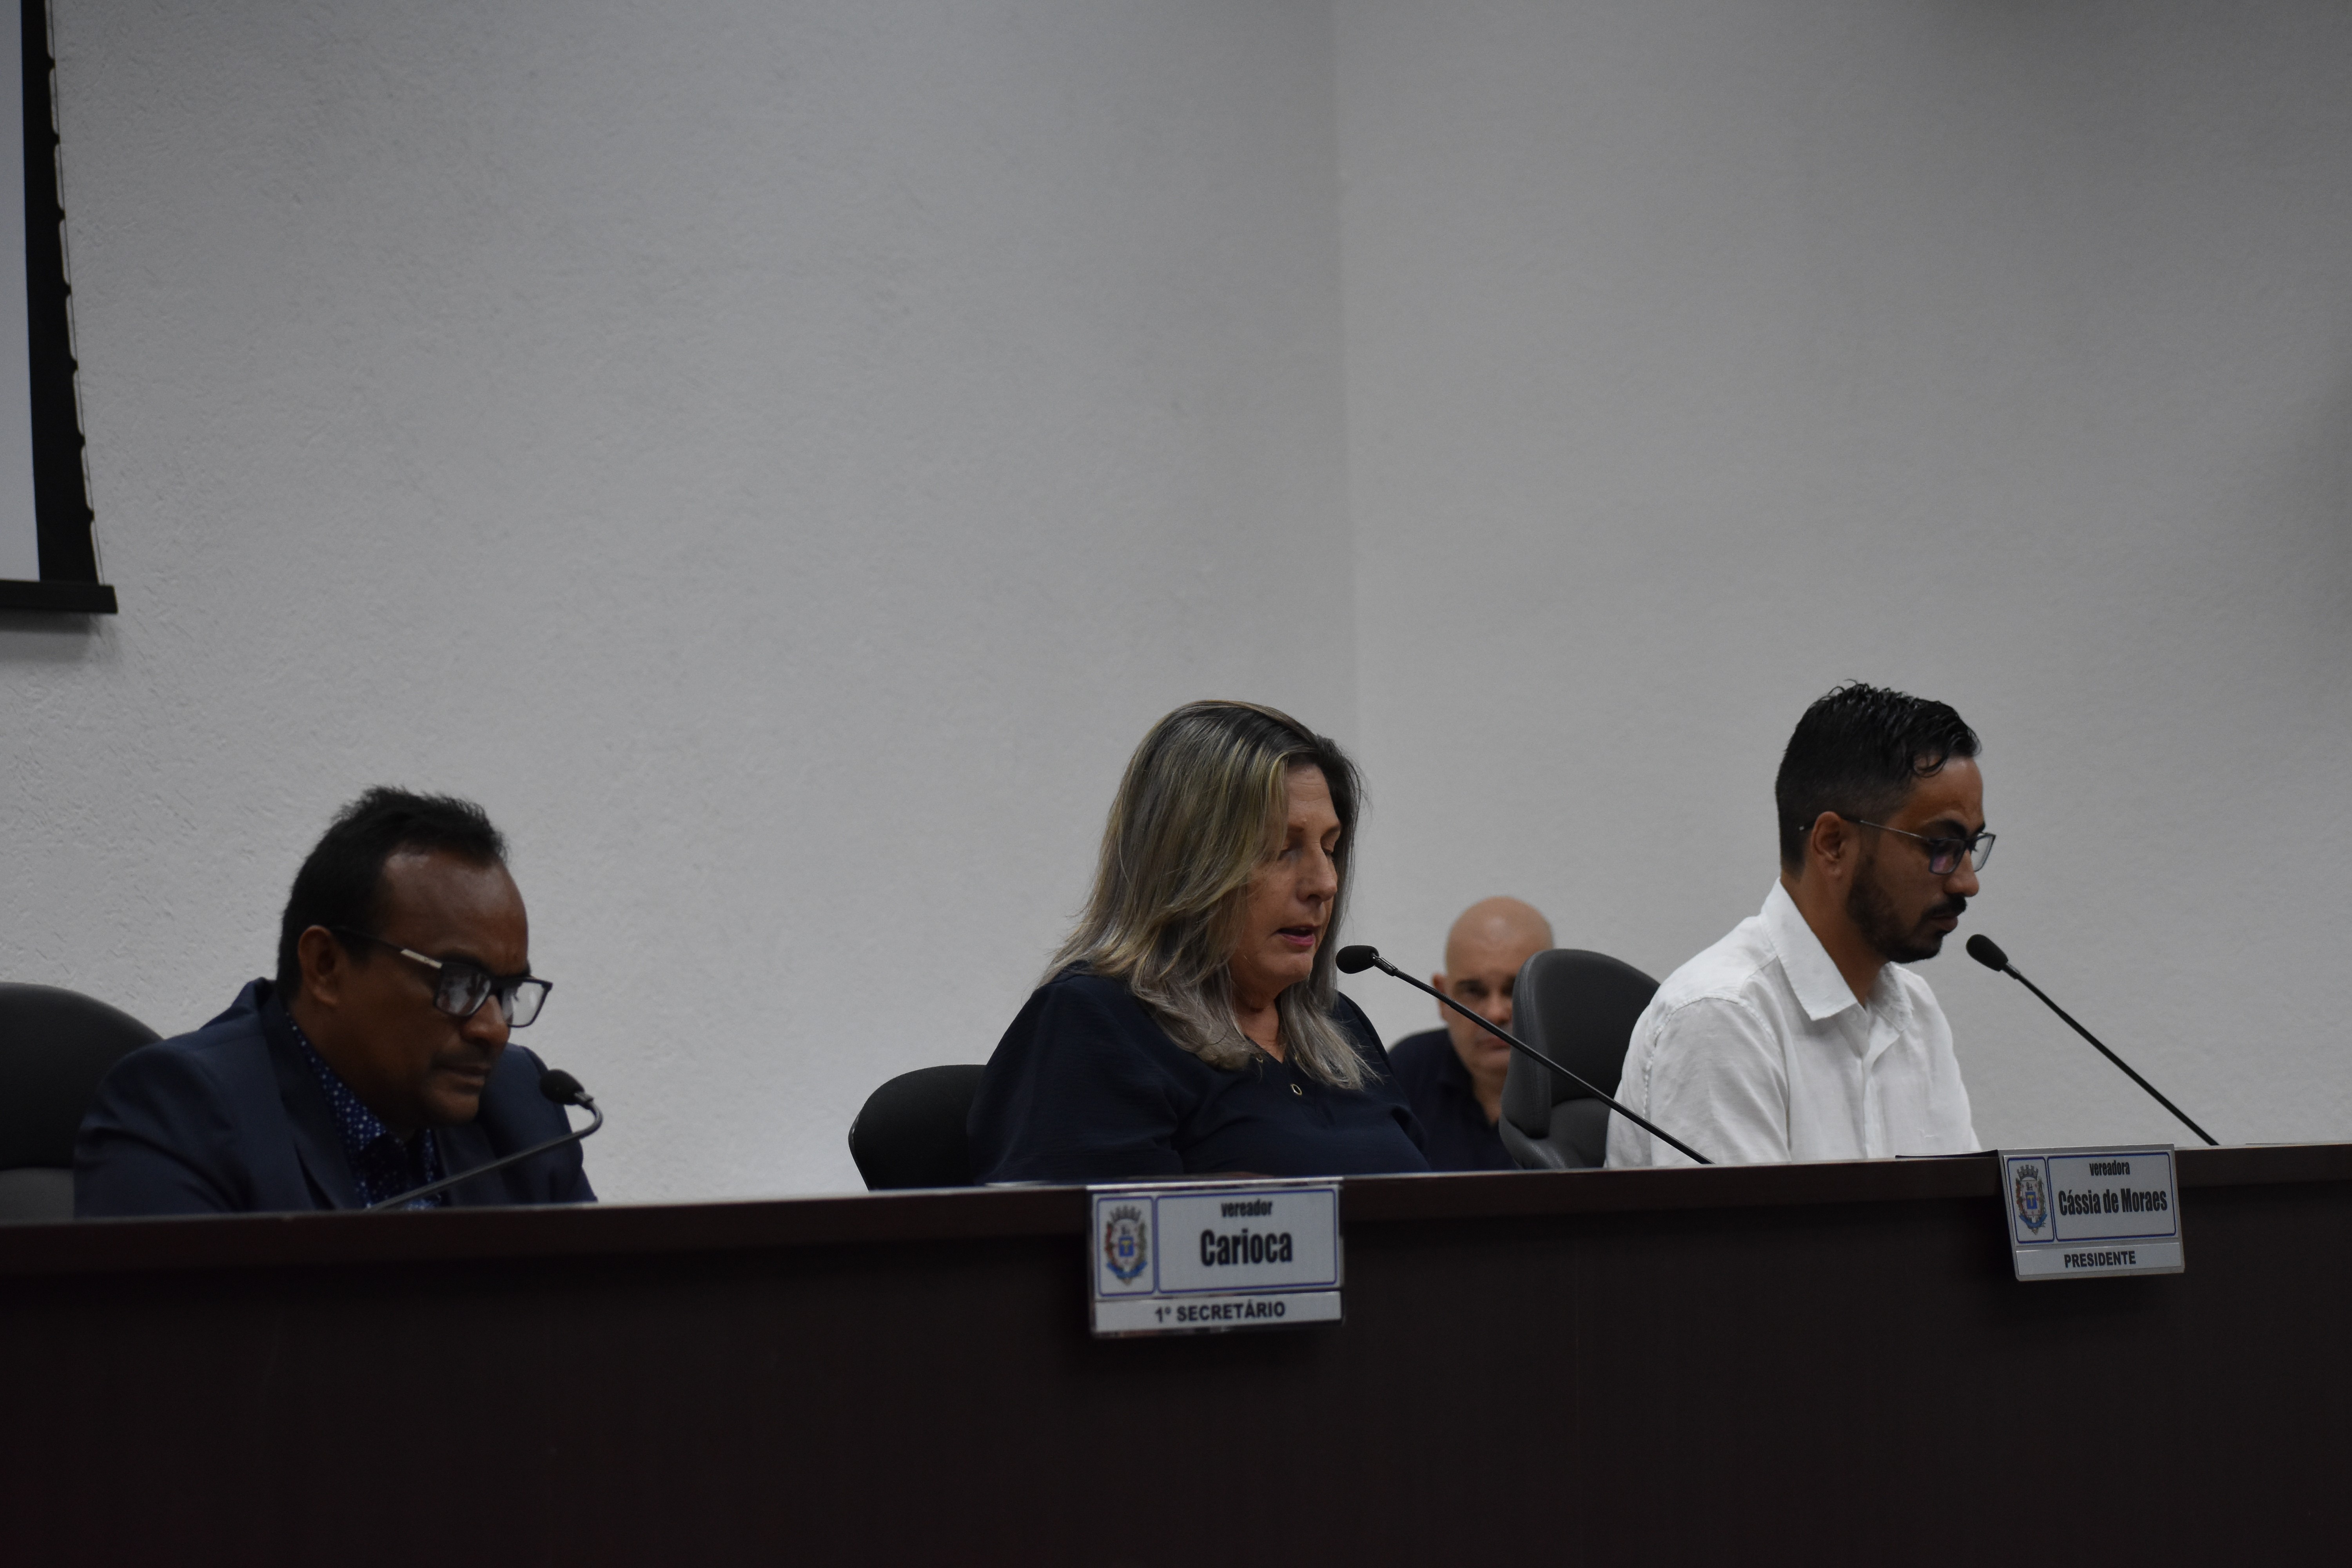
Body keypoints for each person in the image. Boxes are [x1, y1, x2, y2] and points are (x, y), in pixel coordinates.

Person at [76, 788, 595, 1215]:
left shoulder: (521, 1106)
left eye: (506, 992)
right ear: (326, 965)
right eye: (459, 984)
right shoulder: (183, 1112)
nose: (493, 1029)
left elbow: (591, 1306)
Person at [968, 701, 1428, 1181]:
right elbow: (1109, 1228)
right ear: (1187, 862)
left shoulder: (1340, 1026)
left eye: (1329, 848)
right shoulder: (1093, 1024)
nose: (1325, 883)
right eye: (1281, 849)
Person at [1606, 684, 1989, 1168]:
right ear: (1832, 843)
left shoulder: (1916, 1011)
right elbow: (1749, 1224)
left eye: (1970, 847)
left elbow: (1963, 1211)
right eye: (1940, 846)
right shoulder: (1723, 1016)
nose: (1967, 882)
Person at [1386, 897, 1554, 1171]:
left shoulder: (1596, 1084)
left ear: (1552, 992)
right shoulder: (1410, 1072)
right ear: (1443, 997)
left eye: (1515, 989)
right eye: (1474, 992)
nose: (1496, 1014)